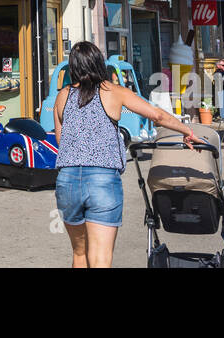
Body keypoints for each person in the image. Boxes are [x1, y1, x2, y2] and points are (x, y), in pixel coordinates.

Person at [53, 41, 198, 268]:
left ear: (73, 67)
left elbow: (62, 142)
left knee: (80, 254)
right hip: (102, 180)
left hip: (68, 180)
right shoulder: (114, 92)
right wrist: (187, 131)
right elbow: (157, 116)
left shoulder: (63, 96)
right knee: (100, 257)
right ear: (99, 64)